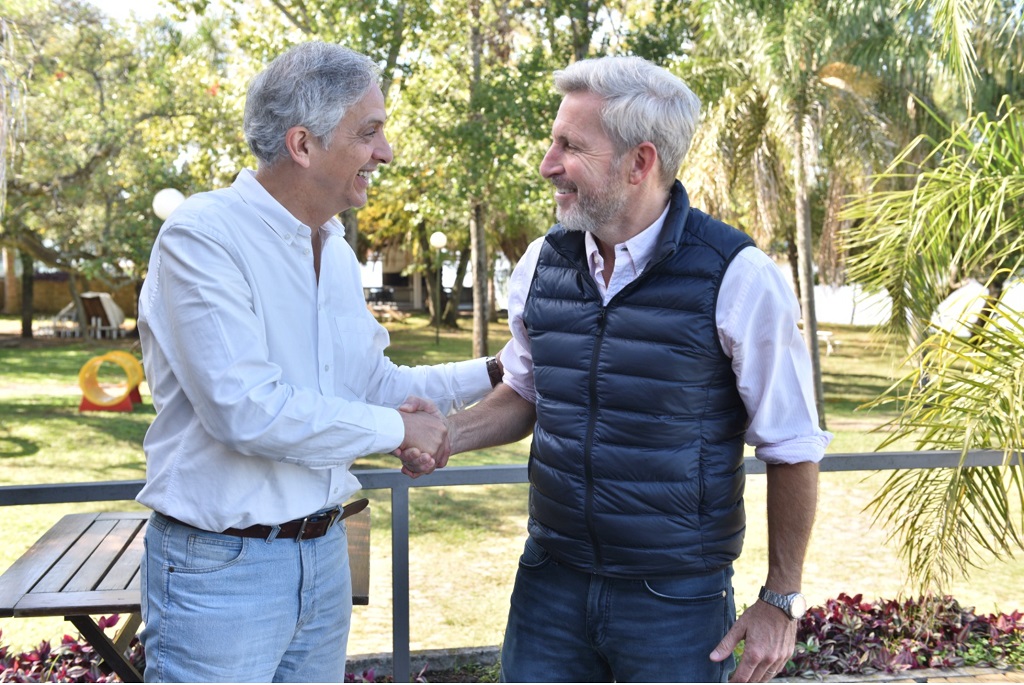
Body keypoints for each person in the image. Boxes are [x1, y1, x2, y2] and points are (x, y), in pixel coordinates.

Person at [412, 55, 831, 682]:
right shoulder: (542, 263)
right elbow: (528, 391)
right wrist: (448, 433)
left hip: (675, 602)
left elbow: (792, 445)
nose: (547, 164)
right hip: (549, 581)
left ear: (640, 163)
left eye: (570, 146)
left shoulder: (737, 277)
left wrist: (780, 599)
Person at [135, 42, 501, 683]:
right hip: (223, 572)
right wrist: (398, 432)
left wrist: (499, 372)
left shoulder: (332, 247)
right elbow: (245, 410)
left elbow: (373, 383)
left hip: (324, 557)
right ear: (302, 145)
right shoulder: (203, 236)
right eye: (369, 132)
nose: (384, 152)